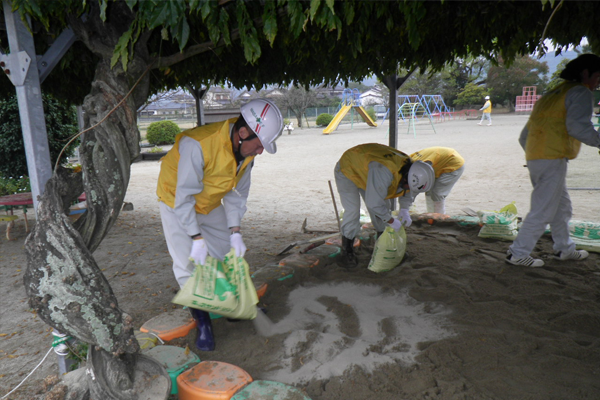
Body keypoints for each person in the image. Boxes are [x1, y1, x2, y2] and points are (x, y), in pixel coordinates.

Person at [157, 98, 283, 350]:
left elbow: (236, 195)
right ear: (243, 133)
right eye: (258, 146)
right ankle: (203, 322)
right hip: (176, 200)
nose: (260, 152)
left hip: (209, 200)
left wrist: (234, 232)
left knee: (228, 252)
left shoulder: (245, 154)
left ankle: (236, 307)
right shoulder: (199, 145)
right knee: (186, 262)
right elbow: (183, 200)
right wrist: (196, 238)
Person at [506, 54, 600, 268]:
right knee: (544, 209)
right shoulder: (580, 92)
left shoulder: (551, 95)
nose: (598, 82)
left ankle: (564, 249)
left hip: (538, 158)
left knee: (561, 206)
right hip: (552, 158)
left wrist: (535, 156)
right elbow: (578, 128)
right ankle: (517, 254)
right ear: (585, 74)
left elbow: (524, 135)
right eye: (597, 76)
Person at [334, 143, 435, 266]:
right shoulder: (384, 171)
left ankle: (383, 246)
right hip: (348, 168)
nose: (409, 190)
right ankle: (347, 251)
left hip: (367, 170)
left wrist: (404, 209)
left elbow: (409, 190)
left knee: (382, 209)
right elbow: (374, 203)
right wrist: (391, 221)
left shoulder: (414, 171)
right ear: (407, 178)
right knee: (353, 211)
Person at [410, 147, 465, 214]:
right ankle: (431, 215)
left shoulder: (420, 166)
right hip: (438, 164)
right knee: (429, 190)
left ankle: (440, 217)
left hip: (453, 164)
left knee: (438, 192)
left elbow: (417, 186)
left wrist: (408, 202)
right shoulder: (409, 161)